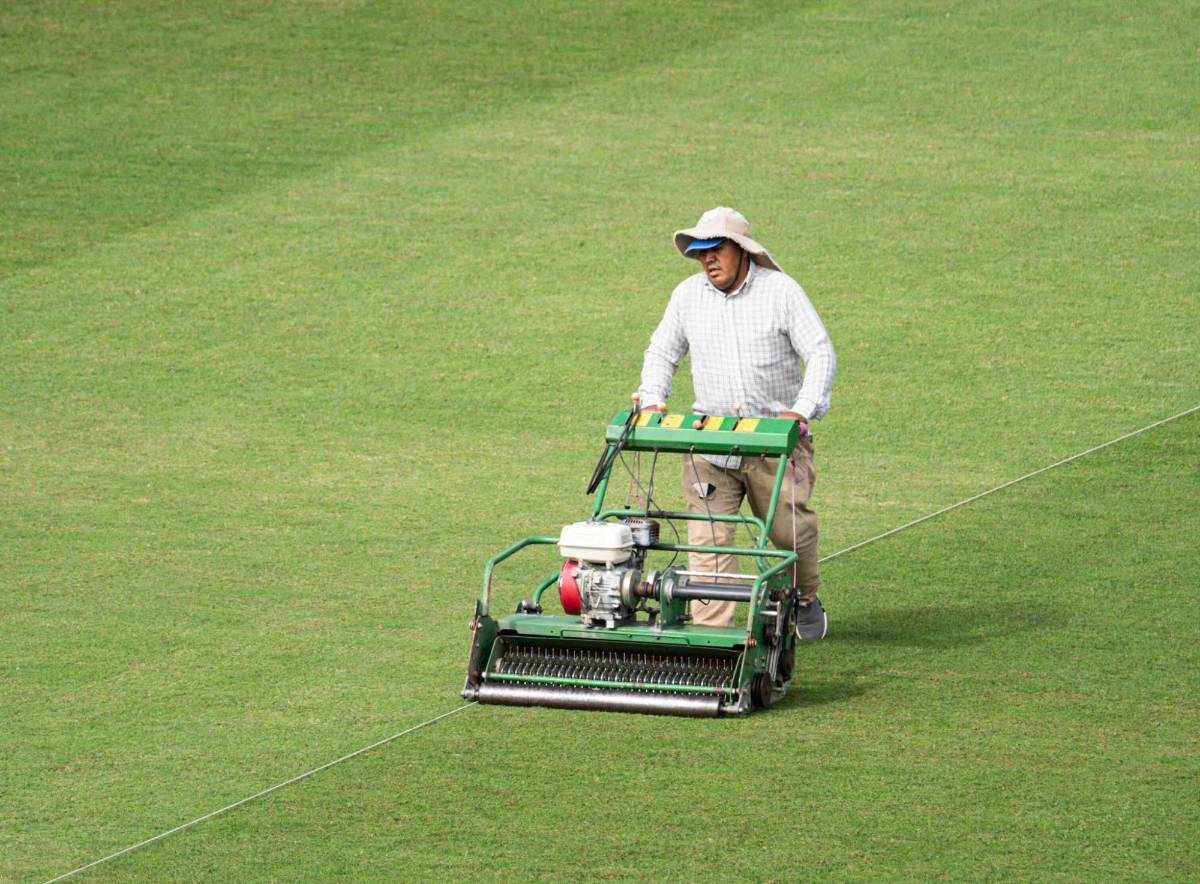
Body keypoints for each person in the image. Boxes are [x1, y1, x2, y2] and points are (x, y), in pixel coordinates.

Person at [635, 206, 836, 640]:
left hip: (775, 446)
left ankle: (803, 597)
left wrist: (800, 410)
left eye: (716, 249)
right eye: (700, 251)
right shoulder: (687, 296)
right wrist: (652, 400)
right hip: (710, 446)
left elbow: (819, 351)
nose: (707, 258)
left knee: (790, 534)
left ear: (742, 250)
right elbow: (661, 351)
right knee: (708, 547)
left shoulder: (781, 292)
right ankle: (715, 642)